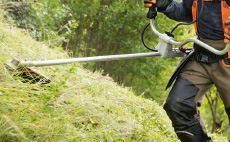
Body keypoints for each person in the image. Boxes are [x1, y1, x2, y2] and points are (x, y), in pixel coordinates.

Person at [152, 0, 230, 141]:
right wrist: (165, 4)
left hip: (228, 58)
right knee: (177, 105)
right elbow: (186, 11)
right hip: (202, 56)